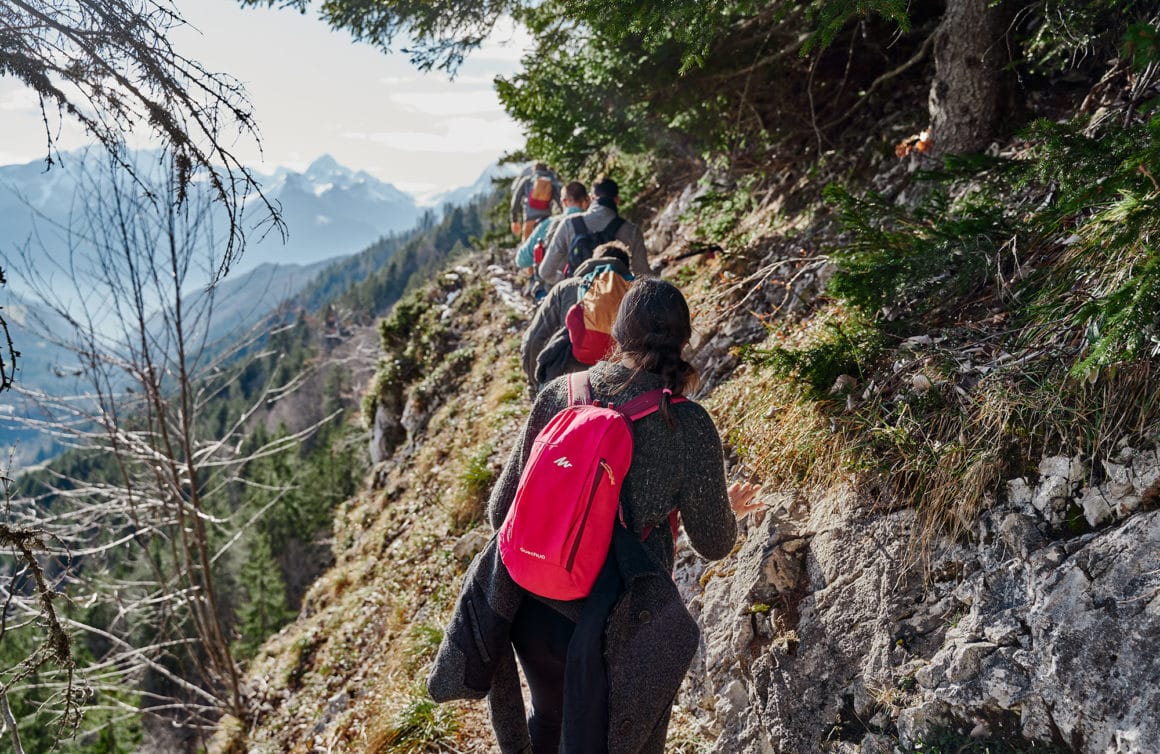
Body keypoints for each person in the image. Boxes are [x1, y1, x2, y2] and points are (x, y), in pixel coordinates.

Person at [487, 277, 761, 753]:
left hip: (536, 605)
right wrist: (723, 509)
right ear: (684, 339)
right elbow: (714, 542)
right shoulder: (689, 423)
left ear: (617, 333)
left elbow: (499, 512)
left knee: (548, 723)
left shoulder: (560, 394)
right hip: (625, 620)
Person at [520, 241, 632, 393]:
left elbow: (533, 341)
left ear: (593, 261)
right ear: (626, 268)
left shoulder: (566, 287)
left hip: (566, 380)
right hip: (616, 384)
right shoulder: (636, 293)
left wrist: (535, 383)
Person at [539, 176, 650, 287]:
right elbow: (643, 276)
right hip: (617, 298)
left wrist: (570, 282)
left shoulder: (569, 224)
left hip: (578, 299)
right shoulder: (632, 231)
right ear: (617, 200)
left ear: (592, 198)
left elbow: (545, 271)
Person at [515, 180, 590, 272]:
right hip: (589, 279)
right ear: (586, 201)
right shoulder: (594, 221)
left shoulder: (548, 223)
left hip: (554, 280)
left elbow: (521, 260)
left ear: (564, 202)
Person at [510, 161, 562, 241]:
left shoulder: (527, 181)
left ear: (534, 169)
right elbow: (559, 200)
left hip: (529, 220)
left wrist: (514, 220)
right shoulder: (551, 181)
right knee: (545, 245)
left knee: (527, 247)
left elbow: (516, 199)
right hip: (546, 219)